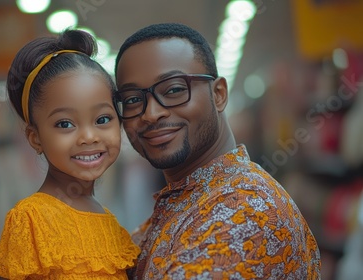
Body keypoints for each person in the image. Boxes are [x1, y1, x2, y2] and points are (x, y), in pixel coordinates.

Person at [113, 23, 321, 279]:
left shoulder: (246, 212)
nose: (151, 113)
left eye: (175, 89)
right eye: (133, 99)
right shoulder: (180, 206)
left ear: (219, 94)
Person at [0, 29, 140, 280]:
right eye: (65, 124)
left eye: (102, 119)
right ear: (35, 138)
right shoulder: (31, 221)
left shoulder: (111, 224)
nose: (89, 136)